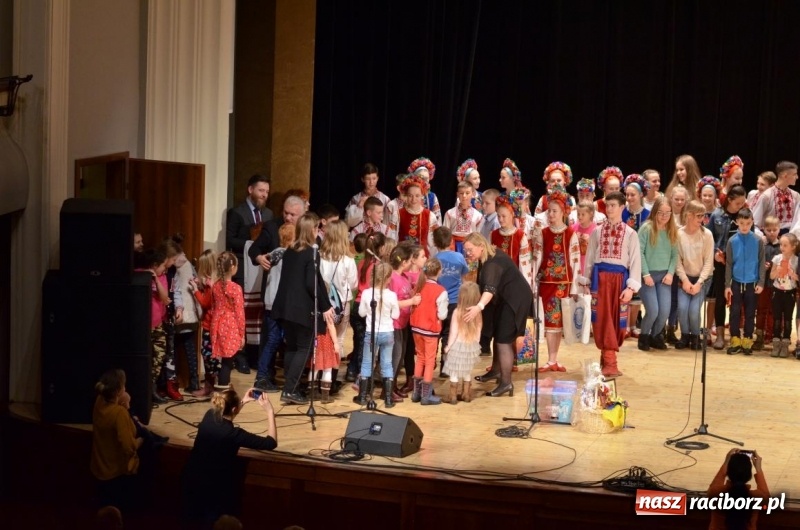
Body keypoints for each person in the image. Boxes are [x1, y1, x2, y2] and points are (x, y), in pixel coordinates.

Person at [182, 387, 277, 524]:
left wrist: (242, 401)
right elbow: (271, 443)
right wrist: (269, 411)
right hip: (214, 490)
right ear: (234, 409)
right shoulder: (233, 434)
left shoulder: (209, 415)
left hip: (191, 480)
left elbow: (227, 414)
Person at [271, 213, 334, 405]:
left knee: (291, 347)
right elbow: (312, 282)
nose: (318, 232)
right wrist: (325, 306)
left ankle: (292, 389)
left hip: (285, 307)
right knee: (304, 348)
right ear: (312, 230)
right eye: (316, 228)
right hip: (301, 308)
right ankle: (290, 390)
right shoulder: (311, 252)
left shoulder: (290, 250)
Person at [577, 191, 642, 377]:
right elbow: (589, 258)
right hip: (599, 279)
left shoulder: (630, 234)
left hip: (619, 281)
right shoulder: (597, 231)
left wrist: (631, 288)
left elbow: (636, 261)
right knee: (601, 319)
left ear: (622, 207)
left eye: (614, 205)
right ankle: (609, 361)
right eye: (607, 206)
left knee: (616, 320)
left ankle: (608, 358)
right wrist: (587, 280)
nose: (610, 209)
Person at [463, 232, 533, 396]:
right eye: (466, 250)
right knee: (497, 332)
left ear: (480, 246)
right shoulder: (487, 255)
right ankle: (495, 371)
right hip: (506, 298)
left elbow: (489, 289)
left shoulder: (492, 264)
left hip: (515, 300)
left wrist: (478, 307)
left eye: (470, 249)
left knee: (504, 340)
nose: (468, 253)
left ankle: (506, 382)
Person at [530, 185, 581, 372]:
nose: (551, 215)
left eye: (554, 211)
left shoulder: (570, 234)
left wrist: (575, 287)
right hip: (546, 284)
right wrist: (534, 283)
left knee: (558, 323)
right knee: (548, 322)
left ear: (563, 212)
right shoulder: (543, 234)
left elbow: (576, 262)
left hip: (563, 284)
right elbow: (537, 259)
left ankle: (553, 358)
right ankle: (550, 359)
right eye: (549, 211)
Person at [90, 369, 142, 514]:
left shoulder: (99, 401)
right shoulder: (119, 414)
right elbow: (129, 447)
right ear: (119, 391)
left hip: (98, 468)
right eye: (124, 386)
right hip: (114, 474)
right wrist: (141, 440)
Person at [253, 223, 295, 394]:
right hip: (278, 303)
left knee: (274, 339)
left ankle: (264, 375)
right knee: (273, 340)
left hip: (271, 300)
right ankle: (261, 377)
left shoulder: (274, 253)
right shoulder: (287, 256)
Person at [709, 186, 752, 350]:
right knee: (720, 299)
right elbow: (709, 238)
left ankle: (737, 334)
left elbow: (751, 239)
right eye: (738, 202)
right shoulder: (717, 215)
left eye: (743, 202)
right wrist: (715, 254)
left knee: (739, 300)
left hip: (740, 264)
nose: (741, 205)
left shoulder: (746, 215)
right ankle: (719, 334)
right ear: (729, 200)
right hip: (721, 264)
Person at [354, 262, 399, 407]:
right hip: (388, 332)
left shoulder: (367, 293)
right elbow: (396, 315)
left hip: (371, 332)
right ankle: (388, 398)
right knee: (387, 363)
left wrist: (369, 311)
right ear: (388, 279)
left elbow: (361, 312)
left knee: (367, 362)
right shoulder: (392, 295)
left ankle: (362, 396)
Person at [319, 219, 358, 387]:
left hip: (322, 304)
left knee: (321, 339)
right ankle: (332, 379)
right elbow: (354, 284)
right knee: (339, 340)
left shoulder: (319, 257)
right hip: (341, 305)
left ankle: (320, 375)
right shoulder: (348, 261)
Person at [637, 196, 678, 351]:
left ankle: (656, 336)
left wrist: (670, 273)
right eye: (660, 212)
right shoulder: (646, 228)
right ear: (654, 212)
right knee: (653, 310)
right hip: (647, 276)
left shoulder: (672, 230)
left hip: (664, 277)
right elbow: (639, 252)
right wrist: (645, 274)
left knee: (664, 310)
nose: (664, 216)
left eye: (668, 213)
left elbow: (675, 255)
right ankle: (644, 336)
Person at [674, 201, 715, 350]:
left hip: (702, 279)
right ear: (689, 215)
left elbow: (709, 262)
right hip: (685, 277)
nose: (702, 219)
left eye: (703, 215)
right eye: (698, 215)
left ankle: (696, 336)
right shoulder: (679, 234)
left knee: (693, 309)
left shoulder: (707, 235)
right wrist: (685, 281)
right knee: (683, 308)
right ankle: (685, 335)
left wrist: (699, 282)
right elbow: (677, 261)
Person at [410, 258, 448, 405]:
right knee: (430, 360)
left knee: (420, 358)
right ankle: (426, 396)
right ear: (439, 271)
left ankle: (416, 393)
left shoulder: (418, 286)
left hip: (416, 328)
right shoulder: (441, 291)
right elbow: (442, 315)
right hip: (430, 329)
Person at [432, 227, 469, 378]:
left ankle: (430, 361)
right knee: (450, 333)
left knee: (435, 333)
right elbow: (465, 276)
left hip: (437, 301)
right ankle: (445, 365)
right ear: (451, 241)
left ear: (434, 242)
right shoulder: (459, 257)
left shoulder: (434, 259)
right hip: (454, 301)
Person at [136, 248, 169, 404]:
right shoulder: (138, 273)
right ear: (155, 264)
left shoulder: (162, 277)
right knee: (142, 358)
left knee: (159, 355)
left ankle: (151, 388)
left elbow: (164, 298)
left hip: (157, 323)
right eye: (163, 265)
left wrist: (156, 279)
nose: (165, 269)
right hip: (143, 324)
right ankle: (141, 390)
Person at [707, 449, 768, 530]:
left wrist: (726, 462)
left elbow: (714, 486)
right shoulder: (757, 498)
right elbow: (767, 497)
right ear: (749, 475)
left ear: (728, 472)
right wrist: (758, 468)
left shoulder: (715, 493)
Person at [442, 282, 482, 404]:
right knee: (467, 370)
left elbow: (453, 332)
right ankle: (466, 394)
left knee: (454, 371)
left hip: (457, 346)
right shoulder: (478, 313)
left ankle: (453, 396)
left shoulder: (457, 312)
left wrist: (448, 346)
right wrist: (476, 343)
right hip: (471, 346)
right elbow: (479, 330)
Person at [210, 252, 246, 389]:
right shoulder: (236, 288)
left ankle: (221, 388)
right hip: (230, 325)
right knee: (227, 361)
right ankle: (223, 394)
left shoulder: (215, 286)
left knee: (224, 360)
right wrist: (242, 334)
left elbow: (214, 307)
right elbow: (240, 313)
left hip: (217, 323)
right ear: (232, 267)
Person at [189, 249, 219, 397]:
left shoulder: (211, 285)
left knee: (209, 358)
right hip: (212, 326)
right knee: (209, 357)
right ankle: (211, 387)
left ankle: (210, 387)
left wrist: (195, 290)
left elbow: (205, 303)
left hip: (210, 327)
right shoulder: (216, 282)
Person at [769, 233, 799, 358]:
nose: (782, 247)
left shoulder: (796, 260)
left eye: (785, 245)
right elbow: (771, 276)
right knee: (776, 318)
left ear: (793, 246)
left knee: (787, 319)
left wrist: (793, 274)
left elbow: (798, 279)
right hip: (777, 291)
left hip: (790, 293)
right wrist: (777, 270)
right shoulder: (776, 258)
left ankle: (785, 344)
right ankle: (776, 344)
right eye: (781, 244)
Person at [754, 216, 780, 351]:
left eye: (774, 230)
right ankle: (759, 335)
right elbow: (756, 261)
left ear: (779, 229)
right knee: (761, 309)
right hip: (763, 284)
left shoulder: (782, 246)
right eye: (768, 230)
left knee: (773, 311)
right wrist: (762, 265)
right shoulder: (761, 245)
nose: (771, 232)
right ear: (763, 230)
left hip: (777, 285)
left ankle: (771, 334)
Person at [753, 161, 799, 234]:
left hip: (790, 238)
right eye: (794, 174)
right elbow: (755, 222)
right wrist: (762, 237)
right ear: (785, 176)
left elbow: (797, 221)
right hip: (770, 237)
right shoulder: (767, 196)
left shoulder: (796, 196)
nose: (797, 177)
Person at [345, 162, 390, 229]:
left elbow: (388, 222)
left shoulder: (385, 199)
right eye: (368, 179)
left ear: (377, 178)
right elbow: (348, 223)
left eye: (374, 178)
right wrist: (359, 207)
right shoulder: (355, 199)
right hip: (360, 236)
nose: (371, 182)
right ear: (362, 179)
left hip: (379, 236)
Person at [443, 181, 484, 253]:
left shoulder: (478, 216)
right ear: (457, 194)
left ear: (472, 194)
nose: (464, 196)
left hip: (471, 247)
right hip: (453, 247)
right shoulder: (449, 213)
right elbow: (445, 234)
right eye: (461, 193)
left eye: (467, 193)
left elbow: (479, 236)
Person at [407, 156, 442, 224]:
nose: (425, 181)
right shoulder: (408, 194)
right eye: (422, 178)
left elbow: (437, 219)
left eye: (427, 178)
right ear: (415, 177)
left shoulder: (432, 197)